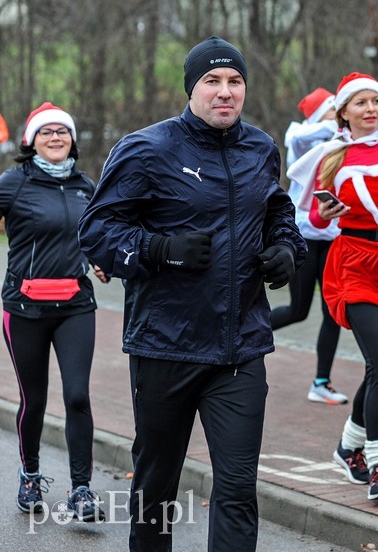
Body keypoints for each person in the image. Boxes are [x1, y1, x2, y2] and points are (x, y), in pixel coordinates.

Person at [78, 36, 306, 551]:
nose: (225, 92)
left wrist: (288, 251)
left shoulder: (260, 149)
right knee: (157, 487)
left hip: (240, 349)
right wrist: (161, 249)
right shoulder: (146, 149)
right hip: (166, 346)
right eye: (212, 81)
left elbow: (278, 215)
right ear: (191, 89)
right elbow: (96, 231)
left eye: (235, 82)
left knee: (237, 488)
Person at [287, 72, 378, 500]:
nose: (371, 109)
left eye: (376, 101)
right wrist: (326, 212)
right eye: (361, 103)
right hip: (353, 264)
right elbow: (313, 219)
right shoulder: (331, 156)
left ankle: (347, 446)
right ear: (344, 112)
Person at [0, 102, 108, 521]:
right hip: (25, 308)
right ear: (31, 141)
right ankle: (30, 476)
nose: (56, 137)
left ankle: (81, 491)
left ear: (73, 140)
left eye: (63, 132)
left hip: (76, 305)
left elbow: (102, 232)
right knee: (35, 399)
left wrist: (103, 258)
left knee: (78, 395)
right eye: (47, 132)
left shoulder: (86, 186)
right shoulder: (13, 183)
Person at [272, 87, 346, 404]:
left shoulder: (342, 144)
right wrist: (341, 120)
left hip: (331, 238)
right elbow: (301, 135)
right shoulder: (301, 137)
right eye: (331, 108)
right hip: (301, 235)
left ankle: (321, 382)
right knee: (298, 311)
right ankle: (237, 334)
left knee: (332, 313)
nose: (335, 114)